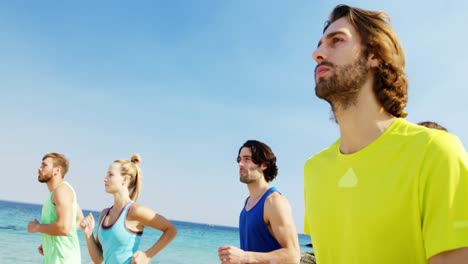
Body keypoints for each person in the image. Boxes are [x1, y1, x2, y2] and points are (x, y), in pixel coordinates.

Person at [303, 4, 468, 263]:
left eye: (336, 41)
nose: (317, 54)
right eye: (320, 44)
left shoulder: (436, 152)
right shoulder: (314, 170)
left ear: (374, 56)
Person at [80, 153, 177, 264]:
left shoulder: (135, 211)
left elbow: (171, 230)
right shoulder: (104, 214)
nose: (105, 179)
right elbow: (98, 259)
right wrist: (88, 234)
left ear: (125, 179)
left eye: (110, 175)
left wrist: (147, 255)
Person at [218, 140, 300, 264]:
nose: (240, 164)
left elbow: (293, 256)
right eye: (239, 159)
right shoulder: (248, 203)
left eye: (247, 159)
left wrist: (244, 257)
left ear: (264, 165)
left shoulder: (274, 201)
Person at [27, 153, 83, 264]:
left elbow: (64, 228)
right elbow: (79, 219)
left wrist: (37, 227)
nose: (39, 168)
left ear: (57, 170)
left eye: (44, 165)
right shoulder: (59, 192)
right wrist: (49, 240)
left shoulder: (62, 191)